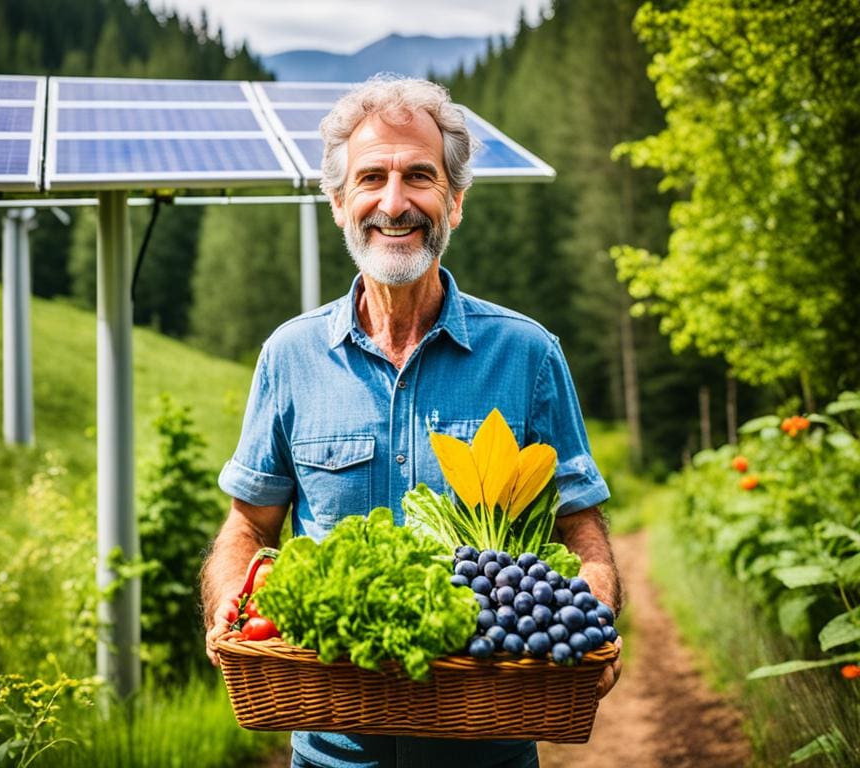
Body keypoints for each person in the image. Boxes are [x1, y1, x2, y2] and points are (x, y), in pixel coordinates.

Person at [201, 75, 622, 768]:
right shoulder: (290, 355)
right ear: (339, 203)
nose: (394, 203)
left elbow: (582, 530)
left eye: (419, 177)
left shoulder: (528, 355)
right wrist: (229, 605)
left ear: (455, 201)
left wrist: (593, 618)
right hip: (330, 751)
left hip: (489, 747)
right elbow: (249, 525)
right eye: (371, 178)